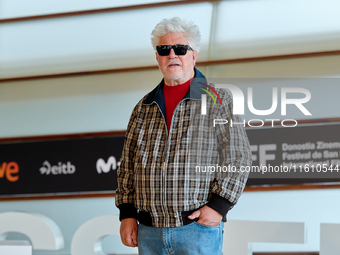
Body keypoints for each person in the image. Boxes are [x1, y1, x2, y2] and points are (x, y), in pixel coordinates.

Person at [115, 17, 252, 255]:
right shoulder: (142, 108)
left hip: (197, 229)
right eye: (164, 49)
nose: (172, 55)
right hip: (149, 231)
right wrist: (127, 215)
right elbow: (127, 166)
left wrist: (219, 207)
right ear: (157, 57)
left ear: (193, 55)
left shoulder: (219, 100)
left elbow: (238, 157)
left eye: (180, 49)